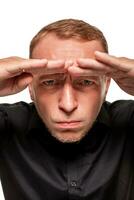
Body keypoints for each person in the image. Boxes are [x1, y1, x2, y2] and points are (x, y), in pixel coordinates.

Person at [0, 18, 134, 200]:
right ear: (30, 88)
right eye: (49, 82)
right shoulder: (8, 124)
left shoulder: (128, 121)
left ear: (107, 86)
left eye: (86, 81)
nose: (68, 105)